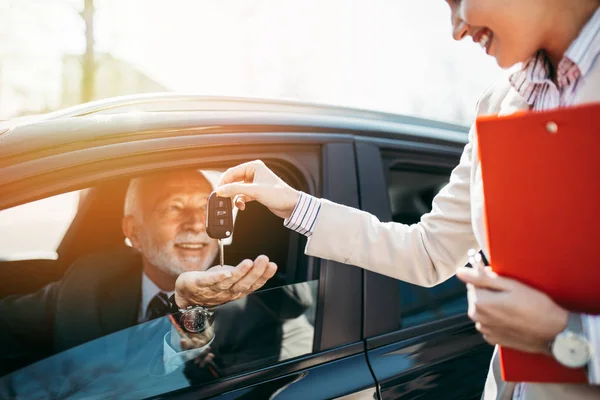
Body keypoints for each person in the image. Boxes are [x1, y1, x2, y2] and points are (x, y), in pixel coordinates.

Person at [215, 1, 600, 399]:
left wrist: (564, 335)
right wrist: (294, 204)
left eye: (457, 2)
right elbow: (427, 251)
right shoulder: (497, 105)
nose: (457, 29)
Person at [0, 169, 314, 383]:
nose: (195, 224)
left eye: (205, 208)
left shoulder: (265, 312)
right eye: (174, 208)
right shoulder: (90, 280)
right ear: (133, 231)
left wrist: (192, 313)